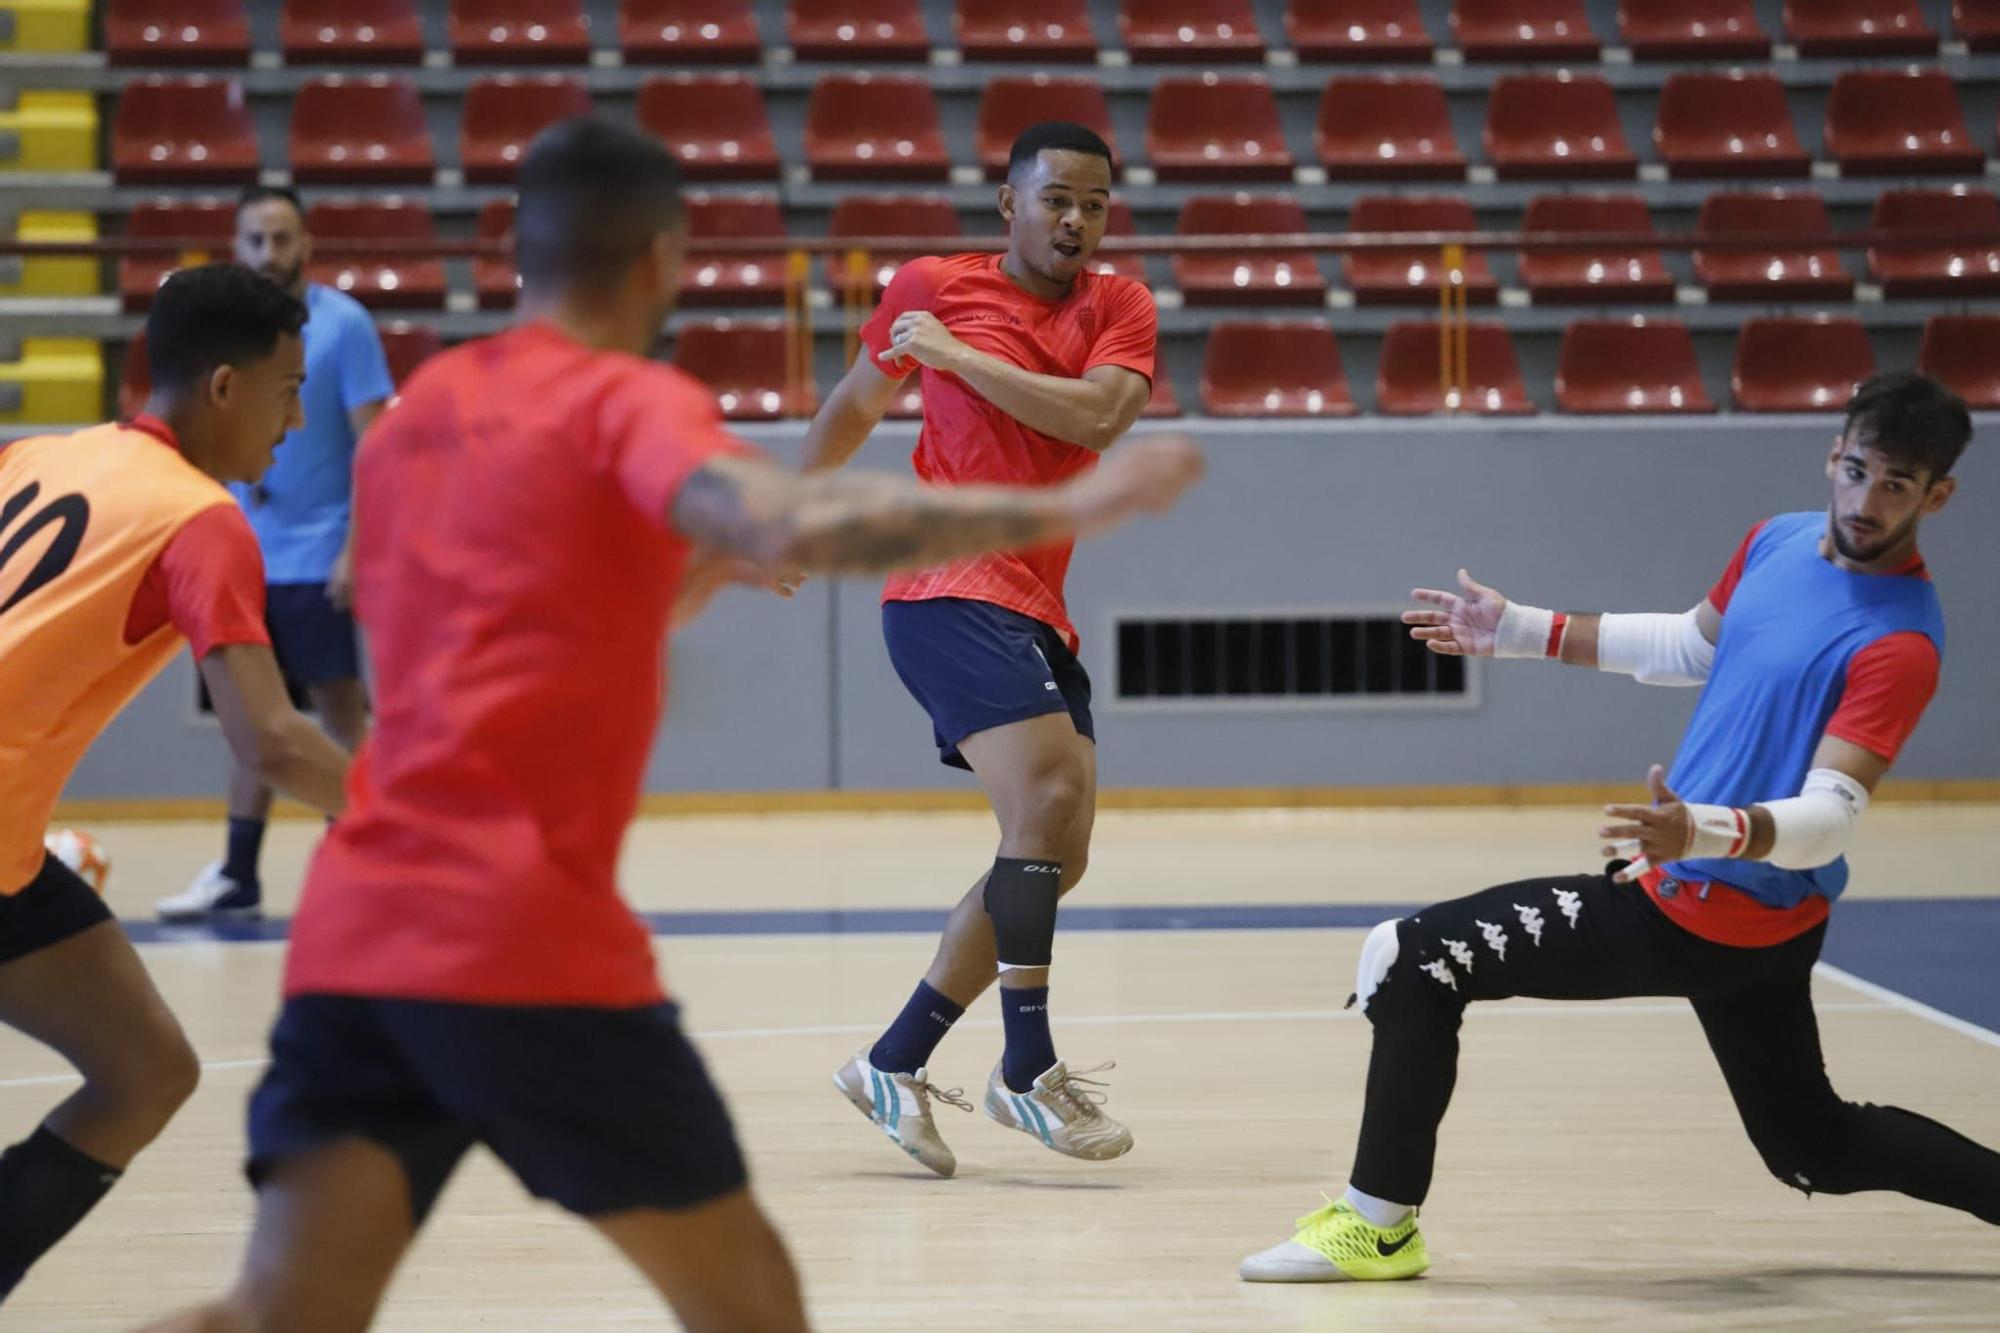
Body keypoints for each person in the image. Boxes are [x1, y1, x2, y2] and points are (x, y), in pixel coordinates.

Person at [151, 118, 1200, 1333]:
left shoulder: (428, 411)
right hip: (523, 936)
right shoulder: (625, 403)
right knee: (751, 1303)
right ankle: (984, 1060)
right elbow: (787, 521)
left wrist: (694, 570)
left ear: (515, 251)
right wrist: (1084, 491)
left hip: (355, 925)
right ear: (661, 258)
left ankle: (975, 1056)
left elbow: (543, 595)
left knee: (277, 1310)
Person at [1240, 372, 2000, 1283]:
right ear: (1832, 455)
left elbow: (1829, 821)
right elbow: (1690, 644)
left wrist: (1705, 831)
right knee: (1815, 1147)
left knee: (1417, 958)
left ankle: (1377, 1224)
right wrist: (1520, 627)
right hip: (1746, 918)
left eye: (1897, 485)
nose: (1866, 500)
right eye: (1857, 470)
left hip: (1703, 904)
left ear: (1938, 495)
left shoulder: (1900, 642)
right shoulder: (1777, 541)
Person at [802, 122, 1158, 1177]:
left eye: (1093, 203)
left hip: (1036, 602)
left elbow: (1097, 420)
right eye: (1054, 198)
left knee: (1054, 850)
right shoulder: (931, 283)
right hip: (944, 585)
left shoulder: (1119, 306)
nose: (1074, 220)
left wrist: (956, 357)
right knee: (1047, 806)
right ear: (1007, 203)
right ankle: (1026, 1066)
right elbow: (855, 403)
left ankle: (893, 1061)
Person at [0, 264, 350, 1301]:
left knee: (146, 1069)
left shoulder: (42, 454)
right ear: (227, 387)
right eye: (290, 391)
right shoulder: (199, 519)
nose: (296, 420)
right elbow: (276, 744)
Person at [157, 186, 393, 923]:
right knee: (251, 720)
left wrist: (358, 547)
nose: (270, 254)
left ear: (308, 244)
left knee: (337, 718)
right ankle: (238, 873)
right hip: (247, 554)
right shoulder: (226, 337)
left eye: (283, 238)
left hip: (321, 554)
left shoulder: (344, 327)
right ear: (237, 245)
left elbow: (378, 448)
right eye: (255, 240)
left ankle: (366, 865)